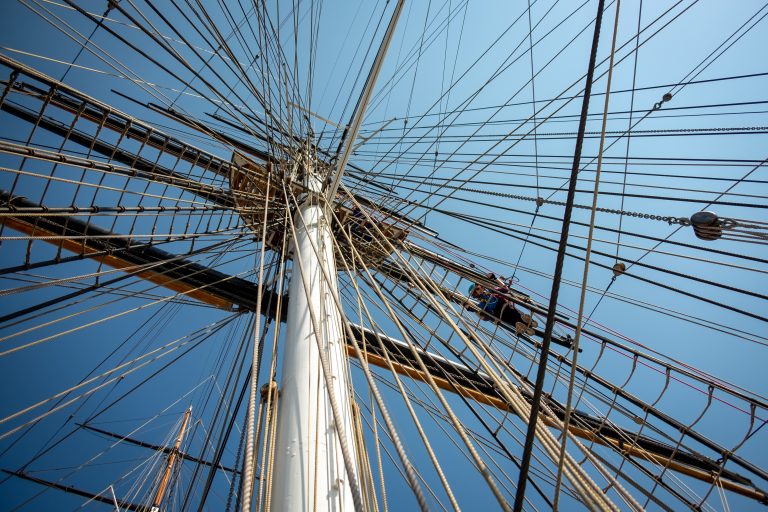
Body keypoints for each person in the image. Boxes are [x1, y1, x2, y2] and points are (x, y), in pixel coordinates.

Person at [467, 278, 538, 335]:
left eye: (479, 287)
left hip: (505, 304)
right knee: (512, 321)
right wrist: (471, 308)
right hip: (498, 313)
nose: (479, 290)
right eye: (476, 291)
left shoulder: (492, 290)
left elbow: (505, 289)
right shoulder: (482, 302)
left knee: (516, 314)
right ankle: (526, 328)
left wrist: (494, 278)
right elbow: (482, 315)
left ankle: (529, 321)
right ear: (475, 295)